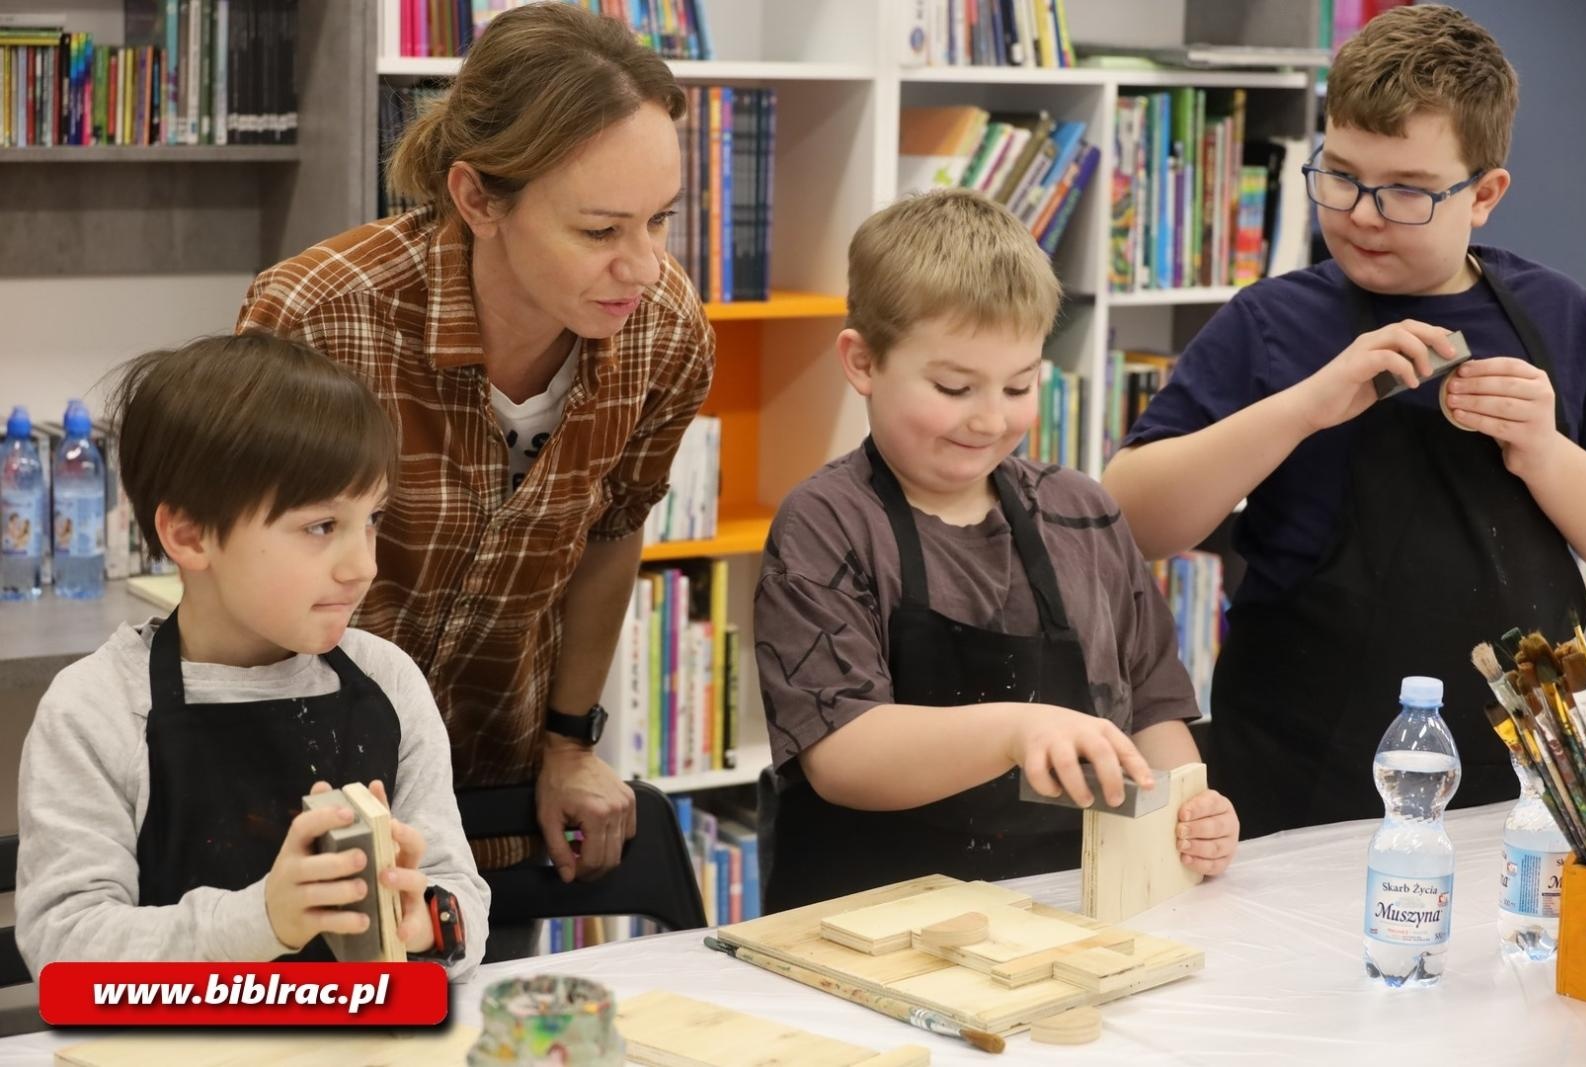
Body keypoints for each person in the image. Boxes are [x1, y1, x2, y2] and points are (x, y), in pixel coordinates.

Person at [236, 2, 714, 884]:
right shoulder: (320, 316)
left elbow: (613, 531)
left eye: (661, 221)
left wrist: (571, 741)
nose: (644, 266)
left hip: (503, 782)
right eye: (601, 230)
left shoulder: (665, 332)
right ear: (476, 198)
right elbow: (243, 573)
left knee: (481, 1015)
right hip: (296, 792)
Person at [1101, 5, 1586, 837]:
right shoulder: (1271, 322)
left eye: (1405, 190)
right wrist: (1302, 408)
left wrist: (1543, 450)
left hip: (1524, 778)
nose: (1364, 212)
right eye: (1340, 176)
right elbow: (1129, 519)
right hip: (1296, 764)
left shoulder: (1560, 315)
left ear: (1483, 195)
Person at [754, 188, 1238, 911]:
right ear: (862, 363)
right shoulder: (829, 524)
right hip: (867, 923)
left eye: (1019, 385)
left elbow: (1151, 706)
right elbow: (842, 755)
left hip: (1060, 908)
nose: (988, 419)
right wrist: (1017, 726)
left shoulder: (1081, 513)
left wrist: (1188, 807)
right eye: (954, 386)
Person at [15, 334, 488, 976]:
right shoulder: (98, 709)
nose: (363, 566)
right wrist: (262, 921)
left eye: (372, 519)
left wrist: (427, 922)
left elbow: (458, 892)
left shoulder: (389, 682)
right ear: (188, 535)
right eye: (321, 527)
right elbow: (64, 948)